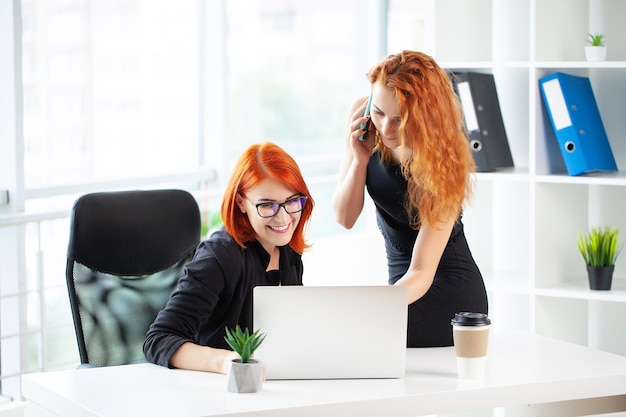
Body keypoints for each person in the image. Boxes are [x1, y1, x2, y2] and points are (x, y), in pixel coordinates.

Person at [332, 50, 488, 347]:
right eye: (379, 112)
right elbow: (344, 218)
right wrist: (359, 160)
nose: (386, 129)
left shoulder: (446, 164)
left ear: (425, 117)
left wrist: (376, 305)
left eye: (400, 120)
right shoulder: (362, 117)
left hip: (448, 295)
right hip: (401, 290)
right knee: (347, 334)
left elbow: (421, 271)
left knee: (352, 335)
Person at [144, 142, 314, 373]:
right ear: (241, 202)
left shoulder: (288, 250)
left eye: (292, 201)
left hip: (268, 386)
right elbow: (158, 339)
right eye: (267, 205)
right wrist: (227, 362)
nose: (283, 218)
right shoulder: (218, 258)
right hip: (217, 392)